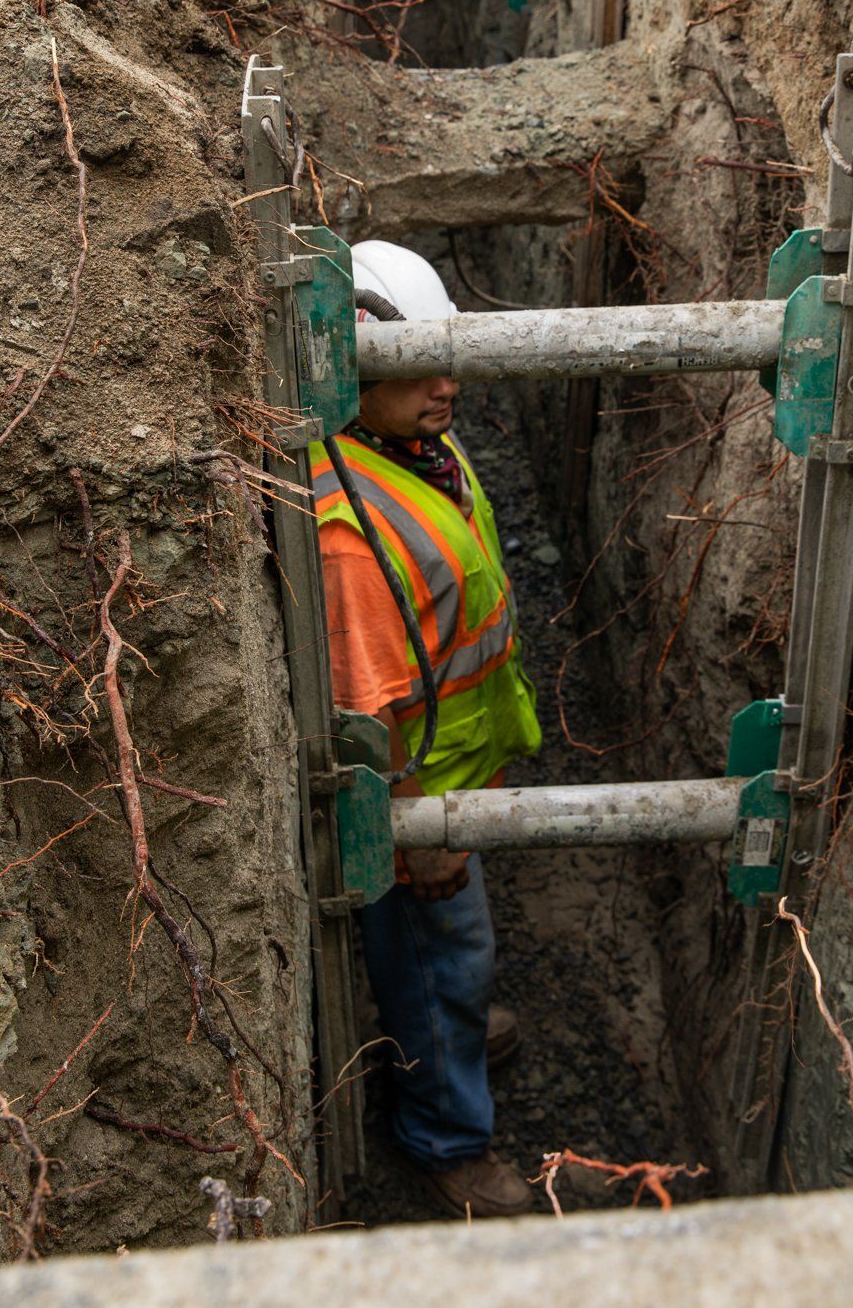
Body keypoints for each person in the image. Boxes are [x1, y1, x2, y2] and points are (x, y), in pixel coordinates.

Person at [311, 240, 543, 1218]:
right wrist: (416, 836)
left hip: (460, 768)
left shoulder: (411, 443)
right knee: (436, 958)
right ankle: (444, 1137)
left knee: (452, 959)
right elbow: (366, 717)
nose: (444, 387)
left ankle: (448, 1037)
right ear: (347, 375)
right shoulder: (346, 534)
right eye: (414, 372)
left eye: (444, 357)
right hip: (420, 803)